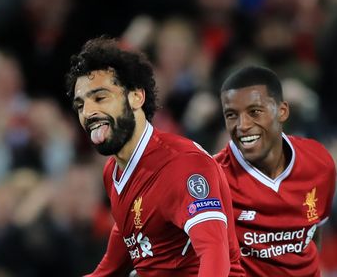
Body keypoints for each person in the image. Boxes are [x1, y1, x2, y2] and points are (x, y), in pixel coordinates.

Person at [66, 37, 245, 277]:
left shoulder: (183, 165)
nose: (88, 113)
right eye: (80, 105)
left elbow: (214, 253)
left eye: (100, 98)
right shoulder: (113, 172)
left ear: (136, 97)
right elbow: (121, 249)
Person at [214, 66, 336, 276]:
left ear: (282, 111)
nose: (242, 125)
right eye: (232, 115)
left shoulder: (319, 163)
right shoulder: (214, 178)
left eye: (254, 112)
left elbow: (314, 233)